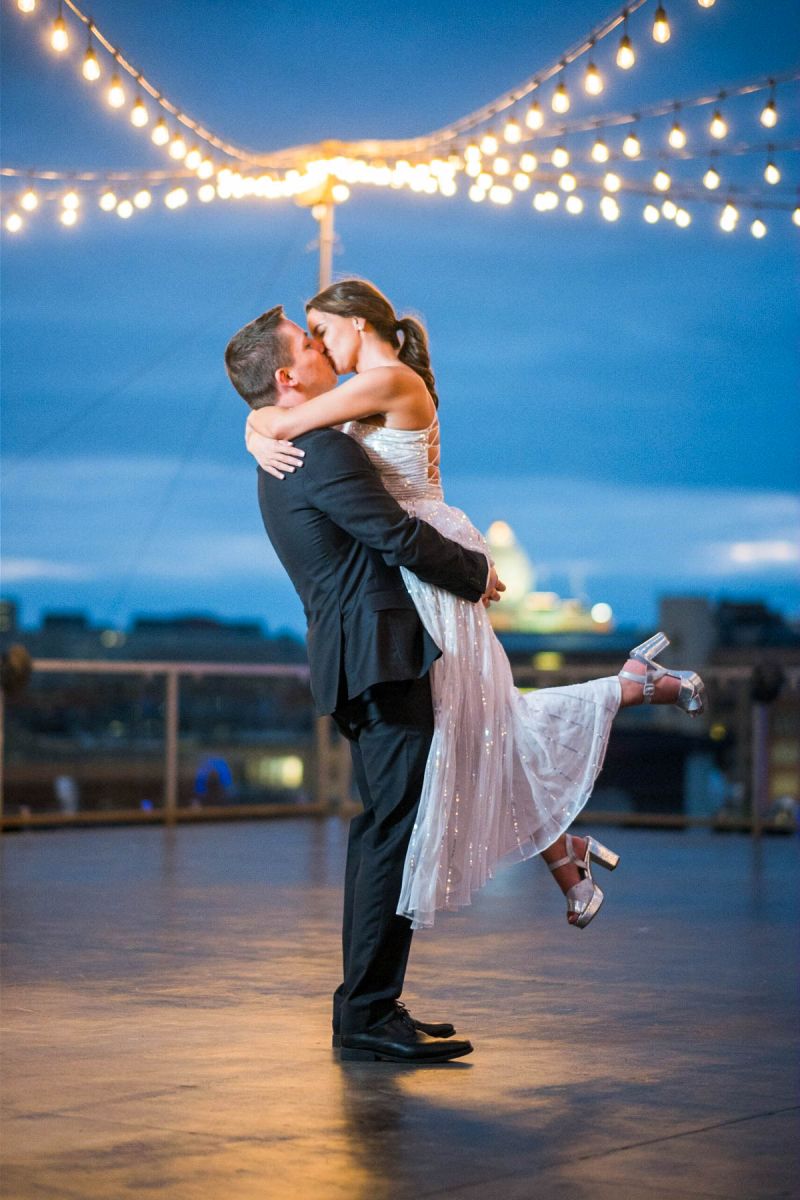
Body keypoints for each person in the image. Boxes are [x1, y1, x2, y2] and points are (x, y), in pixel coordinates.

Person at [245, 279, 706, 936]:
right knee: (477, 718)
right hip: (413, 563)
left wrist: (256, 433)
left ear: (355, 322)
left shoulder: (391, 379)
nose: (318, 343)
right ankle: (574, 828)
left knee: (473, 719)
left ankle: (616, 719)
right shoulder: (363, 391)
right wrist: (258, 426)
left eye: (321, 329)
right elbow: (283, 410)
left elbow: (282, 417)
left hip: (430, 559)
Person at [225, 305, 503, 1064]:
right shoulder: (316, 451)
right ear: (288, 376)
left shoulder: (286, 450)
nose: (322, 348)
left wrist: (255, 428)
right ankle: (366, 1013)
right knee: (391, 832)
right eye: (310, 343)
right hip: (378, 656)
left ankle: (373, 1004)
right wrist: (477, 575)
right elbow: (397, 535)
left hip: (359, 657)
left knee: (388, 827)